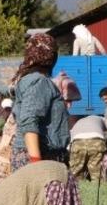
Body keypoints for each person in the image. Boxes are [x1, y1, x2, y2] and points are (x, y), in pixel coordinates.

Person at [11, 34, 70, 170]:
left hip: (38, 154)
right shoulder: (39, 81)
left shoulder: (31, 79)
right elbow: (29, 120)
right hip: (40, 156)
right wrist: (36, 163)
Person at [68, 115, 107, 181]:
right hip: (96, 141)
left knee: (75, 174)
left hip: (78, 142)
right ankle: (97, 190)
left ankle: (77, 189)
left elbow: (69, 147)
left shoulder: (77, 124)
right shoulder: (101, 119)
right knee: (97, 173)